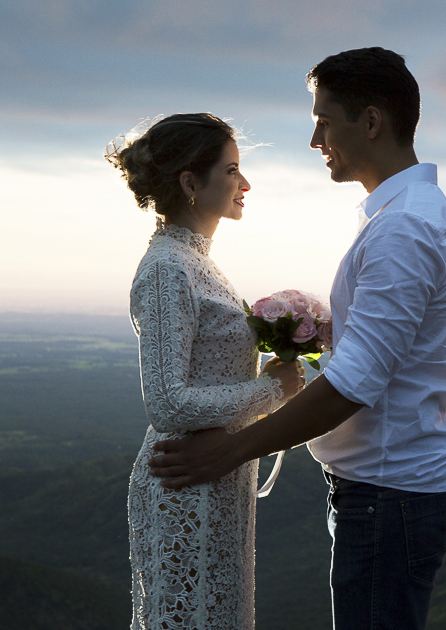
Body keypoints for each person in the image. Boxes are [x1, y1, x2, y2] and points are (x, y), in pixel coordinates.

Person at [148, 48, 446, 630]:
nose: (314, 140)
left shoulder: (404, 226)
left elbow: (354, 384)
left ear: (371, 122)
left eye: (323, 121)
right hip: (383, 490)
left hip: (389, 491)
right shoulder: (400, 214)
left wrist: (231, 450)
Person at [107, 113, 306, 630]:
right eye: (232, 170)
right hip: (184, 486)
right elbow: (168, 403)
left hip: (216, 481)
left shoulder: (195, 262)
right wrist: (271, 390)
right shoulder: (167, 269)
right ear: (191, 183)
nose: (245, 184)